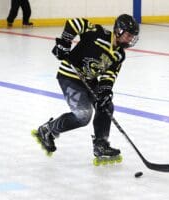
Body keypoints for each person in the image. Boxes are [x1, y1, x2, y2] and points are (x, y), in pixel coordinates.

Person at [31, 14, 139, 165]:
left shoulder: (119, 54)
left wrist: (105, 91)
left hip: (89, 80)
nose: (130, 40)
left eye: (132, 37)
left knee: (106, 105)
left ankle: (101, 144)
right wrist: (64, 42)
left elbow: (110, 74)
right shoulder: (98, 34)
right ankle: (48, 130)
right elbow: (74, 23)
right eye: (128, 35)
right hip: (69, 76)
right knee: (83, 115)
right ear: (119, 31)